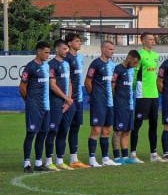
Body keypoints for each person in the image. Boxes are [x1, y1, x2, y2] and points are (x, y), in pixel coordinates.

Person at [84, 41, 120, 167]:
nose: (112, 51)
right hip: (98, 102)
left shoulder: (112, 65)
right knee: (96, 129)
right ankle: (92, 159)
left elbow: (111, 84)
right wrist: (93, 96)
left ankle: (105, 158)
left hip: (109, 102)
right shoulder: (96, 64)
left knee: (106, 130)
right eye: (110, 49)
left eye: (113, 49)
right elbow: (87, 82)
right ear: (103, 49)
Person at [130, 32, 164, 163]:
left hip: (153, 94)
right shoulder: (140, 55)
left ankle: (153, 154)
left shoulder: (155, 56)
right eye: (150, 39)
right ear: (143, 41)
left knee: (154, 124)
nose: (153, 41)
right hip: (142, 94)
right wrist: (134, 90)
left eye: (154, 39)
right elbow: (135, 74)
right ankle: (133, 154)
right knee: (137, 124)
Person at [19, 41, 51, 173]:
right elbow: (22, 87)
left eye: (49, 52)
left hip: (46, 106)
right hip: (34, 106)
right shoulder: (30, 67)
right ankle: (26, 163)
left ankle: (38, 163)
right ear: (38, 51)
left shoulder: (46, 66)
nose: (48, 55)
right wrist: (29, 100)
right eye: (46, 52)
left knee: (43, 134)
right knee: (31, 134)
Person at [45, 39, 74, 171]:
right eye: (64, 49)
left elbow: (69, 82)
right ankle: (48, 161)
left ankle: (60, 161)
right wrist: (65, 98)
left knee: (63, 132)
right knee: (53, 131)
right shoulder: (51, 65)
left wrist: (69, 100)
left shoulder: (67, 64)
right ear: (57, 49)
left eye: (67, 49)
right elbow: (52, 86)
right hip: (55, 103)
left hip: (66, 104)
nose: (66, 51)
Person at [64, 33, 90, 169]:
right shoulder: (66, 58)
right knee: (63, 129)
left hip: (79, 98)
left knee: (75, 128)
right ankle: (58, 159)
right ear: (69, 43)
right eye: (77, 41)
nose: (80, 43)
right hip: (70, 99)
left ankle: (74, 159)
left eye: (80, 41)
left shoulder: (79, 57)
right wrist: (68, 98)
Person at [111, 50, 141, 165]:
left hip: (130, 105)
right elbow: (112, 86)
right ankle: (117, 157)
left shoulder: (131, 70)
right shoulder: (118, 69)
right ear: (128, 58)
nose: (135, 65)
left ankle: (125, 156)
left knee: (127, 131)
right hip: (120, 105)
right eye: (134, 63)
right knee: (118, 131)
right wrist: (115, 101)